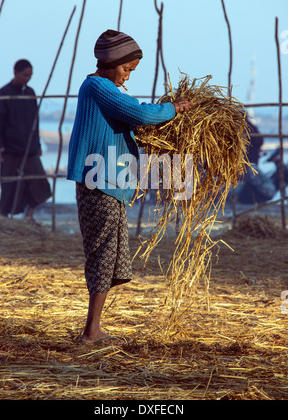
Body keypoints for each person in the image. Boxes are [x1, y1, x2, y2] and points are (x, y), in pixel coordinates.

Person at [67, 29, 192, 344]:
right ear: (108, 64)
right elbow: (138, 113)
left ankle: (94, 329)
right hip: (100, 183)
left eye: (131, 72)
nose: (126, 77)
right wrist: (173, 109)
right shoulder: (97, 86)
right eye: (125, 70)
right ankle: (91, 332)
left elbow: (130, 116)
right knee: (102, 252)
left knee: (110, 254)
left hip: (111, 183)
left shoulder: (106, 88)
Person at [0, 59, 51, 223]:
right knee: (9, 186)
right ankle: (4, 220)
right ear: (15, 73)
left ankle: (29, 215)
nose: (28, 78)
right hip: (9, 149)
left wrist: (37, 145)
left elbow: (35, 122)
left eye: (30, 75)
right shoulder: (4, 93)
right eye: (25, 75)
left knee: (39, 183)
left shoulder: (30, 92)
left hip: (29, 148)